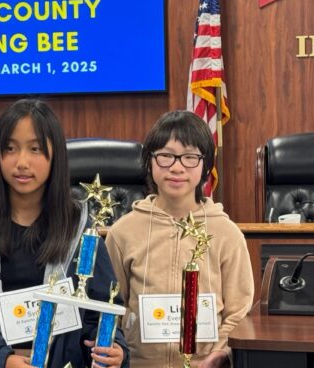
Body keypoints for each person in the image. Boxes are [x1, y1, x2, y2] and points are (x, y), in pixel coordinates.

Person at [0, 99, 129, 368]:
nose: (21, 162)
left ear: (56, 156)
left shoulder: (82, 232)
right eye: (10, 148)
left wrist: (115, 350)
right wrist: (2, 359)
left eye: (35, 149)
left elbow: (99, 314)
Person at [105, 110, 254, 368]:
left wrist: (219, 355)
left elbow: (239, 312)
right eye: (165, 156)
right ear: (149, 162)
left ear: (205, 165)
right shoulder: (122, 233)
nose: (176, 167)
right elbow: (112, 307)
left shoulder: (227, 234)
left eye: (189, 157)